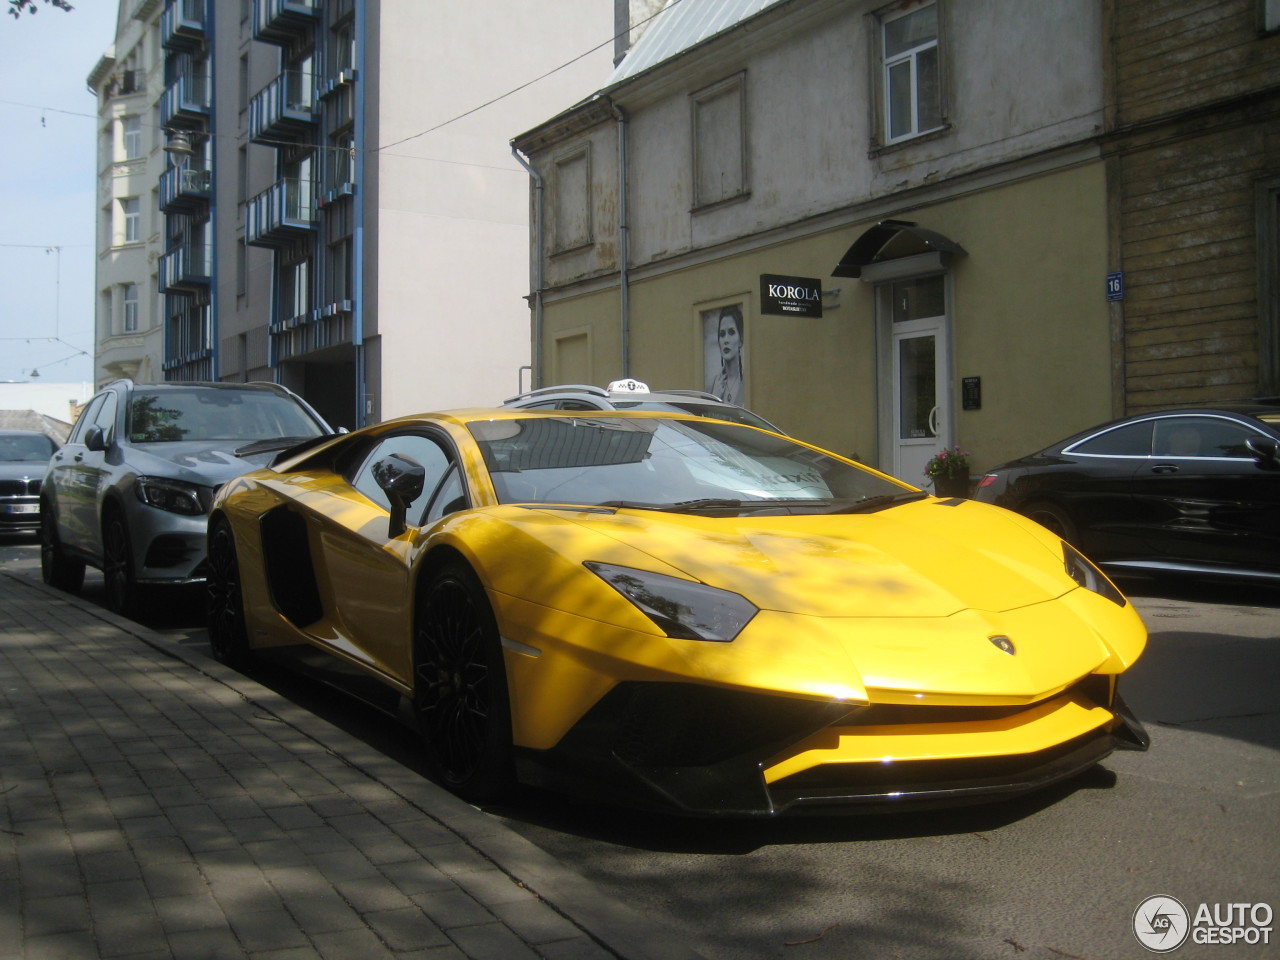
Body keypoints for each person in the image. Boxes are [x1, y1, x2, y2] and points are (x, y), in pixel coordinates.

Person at [708, 305, 744, 406]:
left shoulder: (746, 381)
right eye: (722, 334)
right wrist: (715, 397)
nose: (726, 340)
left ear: (741, 340)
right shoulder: (713, 385)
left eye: (731, 332)